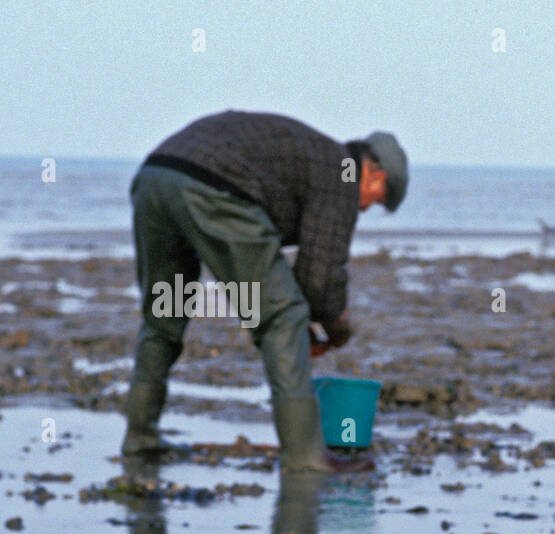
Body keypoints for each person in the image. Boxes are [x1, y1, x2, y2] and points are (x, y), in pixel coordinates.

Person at [122, 111, 408, 473]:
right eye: (377, 200)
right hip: (214, 187)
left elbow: (291, 271)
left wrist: (285, 304)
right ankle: (306, 456)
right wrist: (338, 330)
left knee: (165, 315)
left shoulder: (314, 157)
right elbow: (320, 275)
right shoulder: (342, 173)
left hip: (156, 179)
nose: (365, 208)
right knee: (283, 319)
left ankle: (140, 438)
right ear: (374, 172)